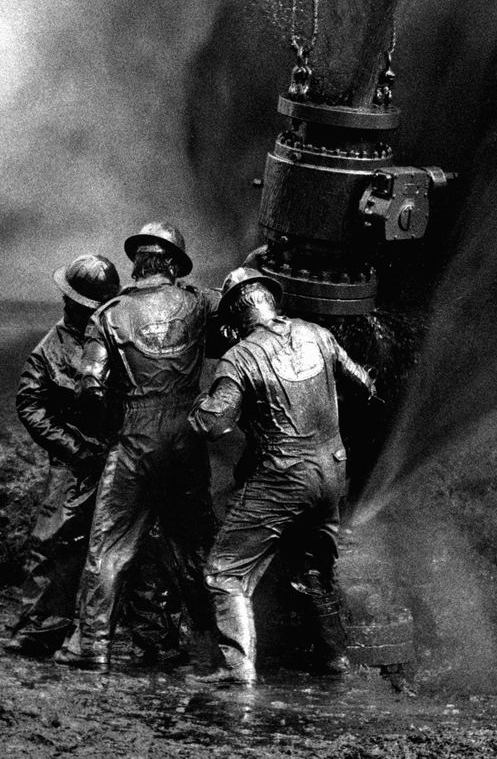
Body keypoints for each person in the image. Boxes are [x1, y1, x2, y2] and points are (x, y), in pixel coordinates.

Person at [189, 267, 375, 686]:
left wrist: (196, 403)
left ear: (235, 317)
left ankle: (235, 671)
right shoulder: (318, 334)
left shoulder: (240, 356)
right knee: (312, 568)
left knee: (224, 571)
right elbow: (363, 384)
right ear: (273, 302)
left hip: (284, 475)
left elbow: (214, 423)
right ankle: (334, 660)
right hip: (332, 470)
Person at [60, 221, 220, 668]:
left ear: (137, 263)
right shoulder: (199, 302)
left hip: (135, 438)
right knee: (193, 548)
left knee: (108, 546)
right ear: (173, 264)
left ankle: (92, 645)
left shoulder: (107, 314)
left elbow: (88, 386)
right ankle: (215, 647)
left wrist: (109, 426)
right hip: (187, 440)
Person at [6, 254, 121, 657]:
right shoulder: (48, 350)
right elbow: (31, 407)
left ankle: (145, 634)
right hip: (74, 460)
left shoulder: (118, 334)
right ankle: (41, 629)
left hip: (121, 453)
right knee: (53, 542)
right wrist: (76, 450)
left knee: (136, 545)